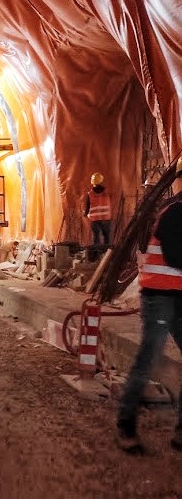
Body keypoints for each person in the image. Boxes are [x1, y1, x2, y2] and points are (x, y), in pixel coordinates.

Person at [116, 158, 182, 453]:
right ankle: (126, 425)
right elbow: (176, 256)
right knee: (148, 358)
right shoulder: (175, 212)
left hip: (177, 297)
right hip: (159, 297)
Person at [84, 172, 112, 245]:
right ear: (101, 180)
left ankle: (96, 251)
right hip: (106, 218)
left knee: (96, 237)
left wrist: (85, 214)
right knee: (106, 236)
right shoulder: (107, 192)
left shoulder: (90, 194)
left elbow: (87, 207)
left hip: (94, 219)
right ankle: (107, 250)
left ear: (92, 182)